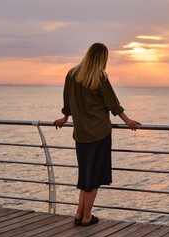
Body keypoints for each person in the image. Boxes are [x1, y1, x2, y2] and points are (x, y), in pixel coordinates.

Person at [53, 43, 141, 226]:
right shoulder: (100, 76)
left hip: (81, 133)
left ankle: (79, 213)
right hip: (100, 132)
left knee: (86, 174)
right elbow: (112, 103)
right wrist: (127, 120)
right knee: (94, 177)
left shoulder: (72, 74)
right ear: (102, 58)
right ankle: (87, 217)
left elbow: (67, 99)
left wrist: (64, 117)